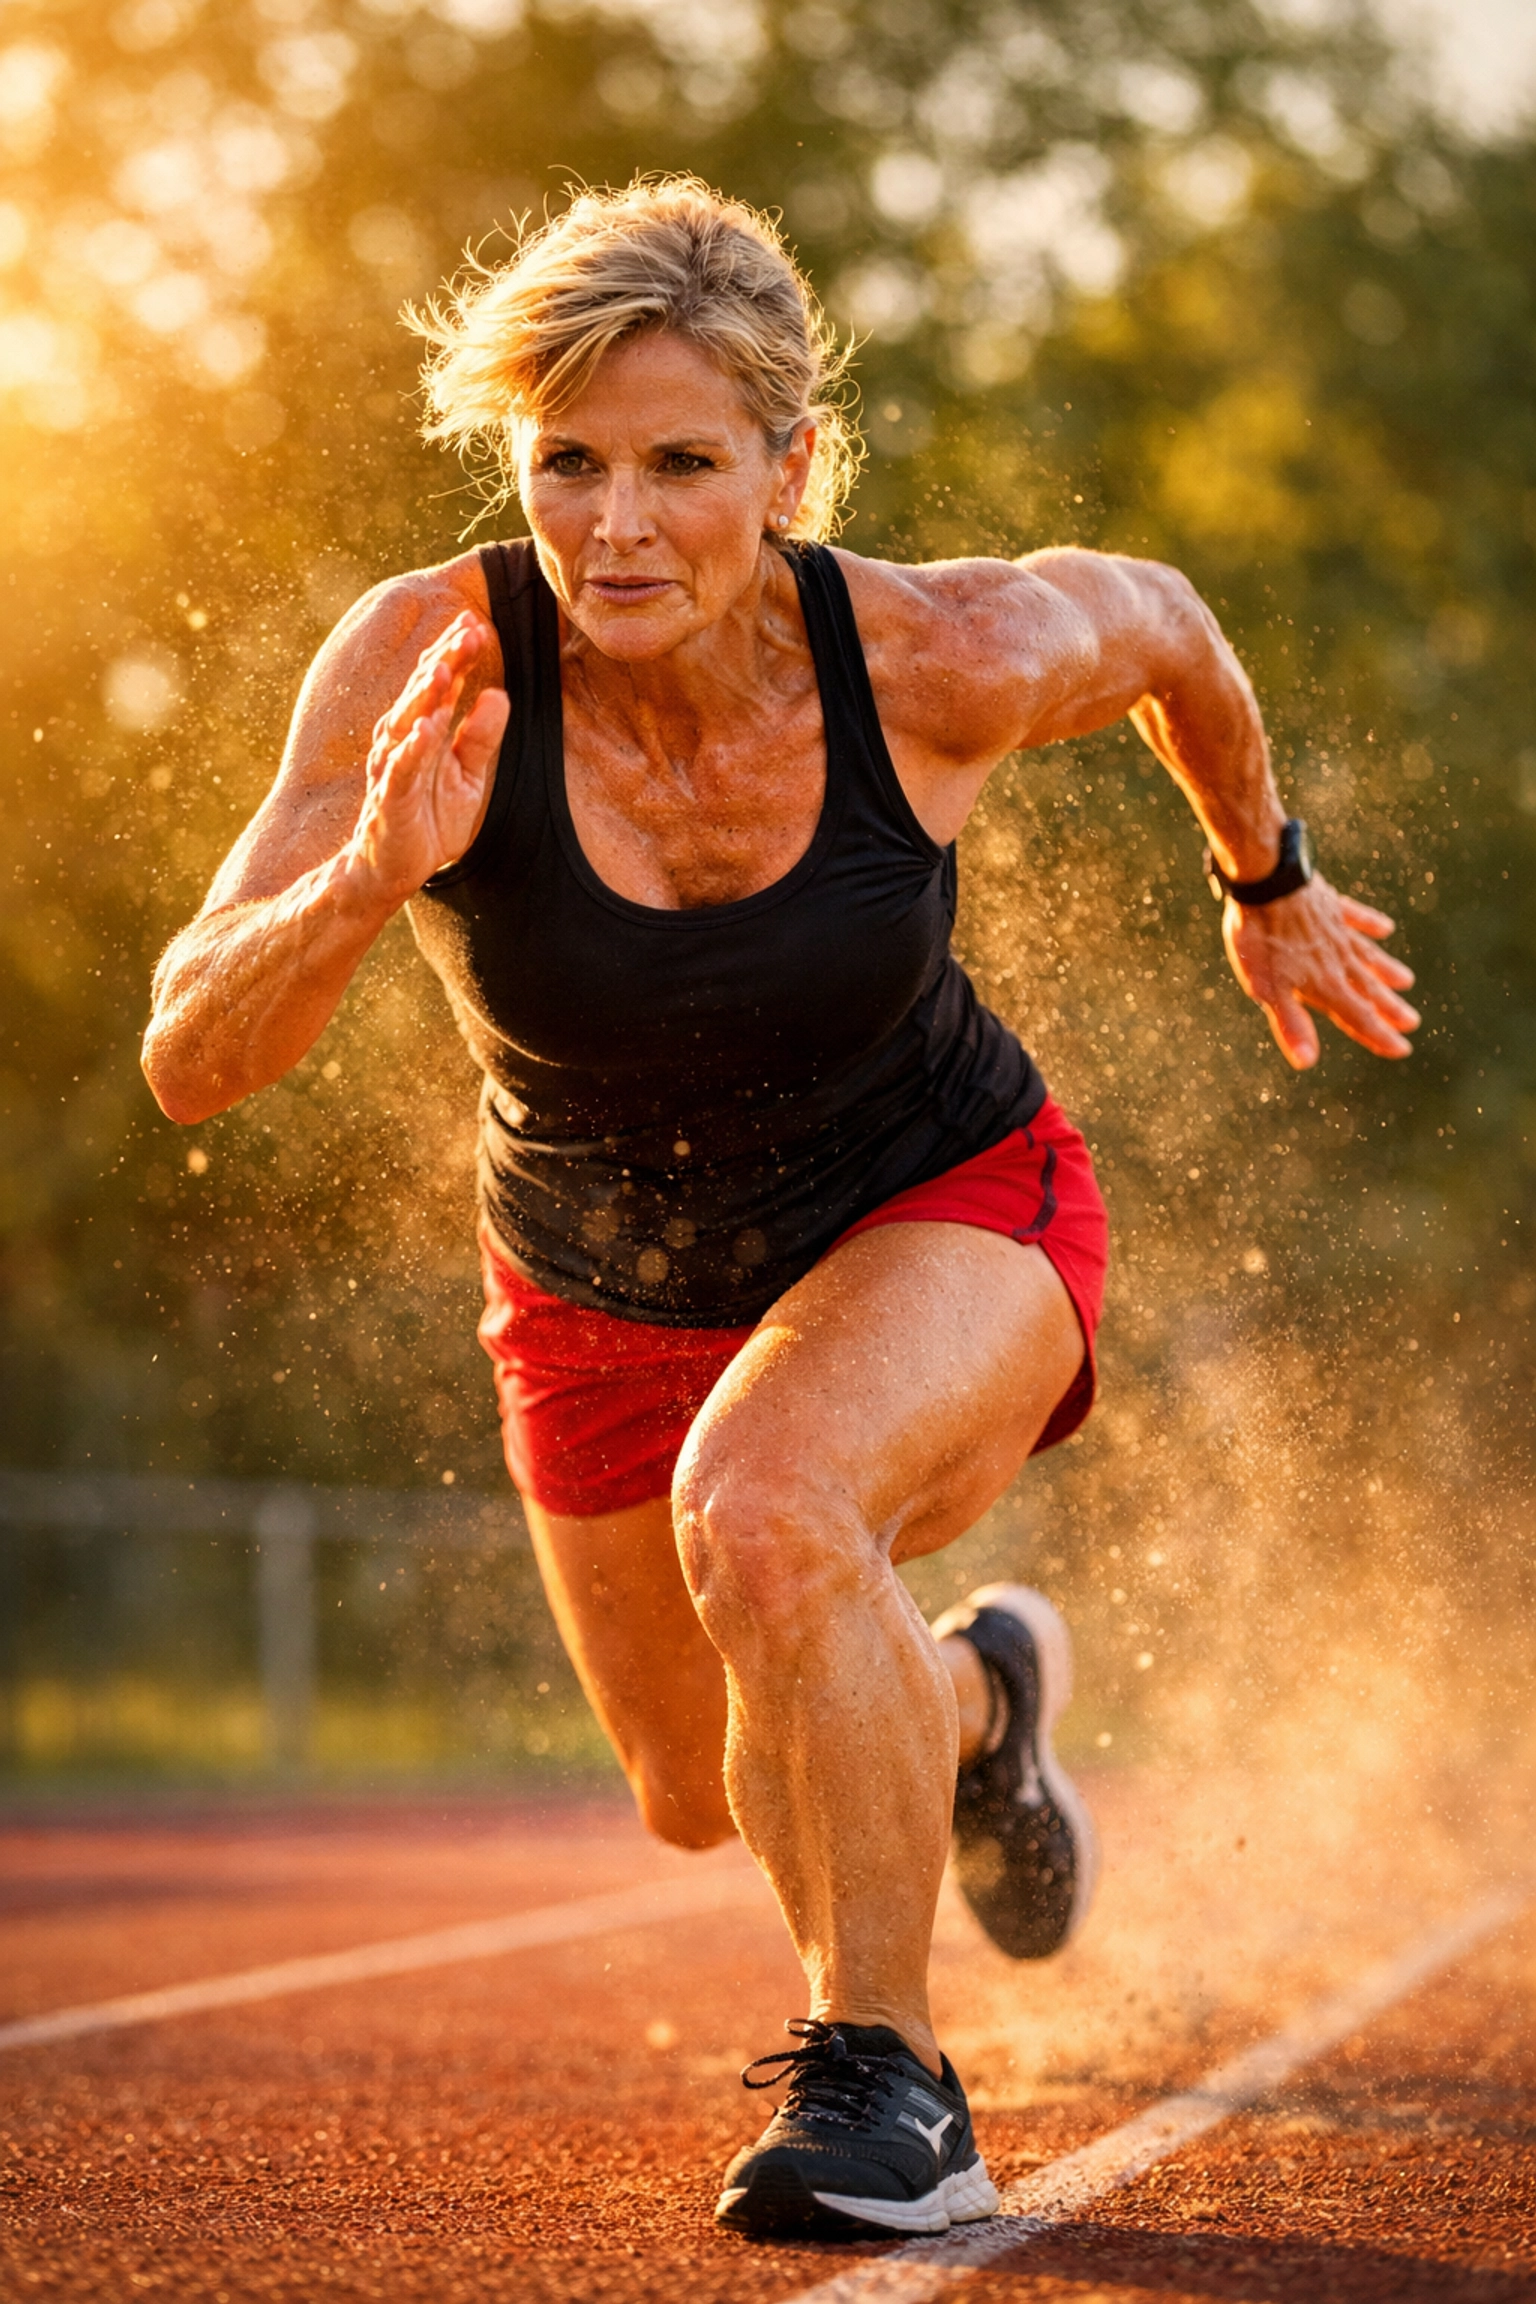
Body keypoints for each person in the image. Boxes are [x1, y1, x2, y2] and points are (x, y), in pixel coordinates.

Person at [141, 177, 1418, 2242]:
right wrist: (366, 875)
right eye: (567, 465)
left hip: (946, 1202)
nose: (615, 526)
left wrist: (1263, 882)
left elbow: (1173, 624)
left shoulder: (938, 653)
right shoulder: (421, 662)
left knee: (765, 1509)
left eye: (679, 464)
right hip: (593, 1288)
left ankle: (892, 2085)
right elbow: (193, 1056)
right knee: (682, 1783)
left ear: (790, 465)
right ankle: (983, 1701)